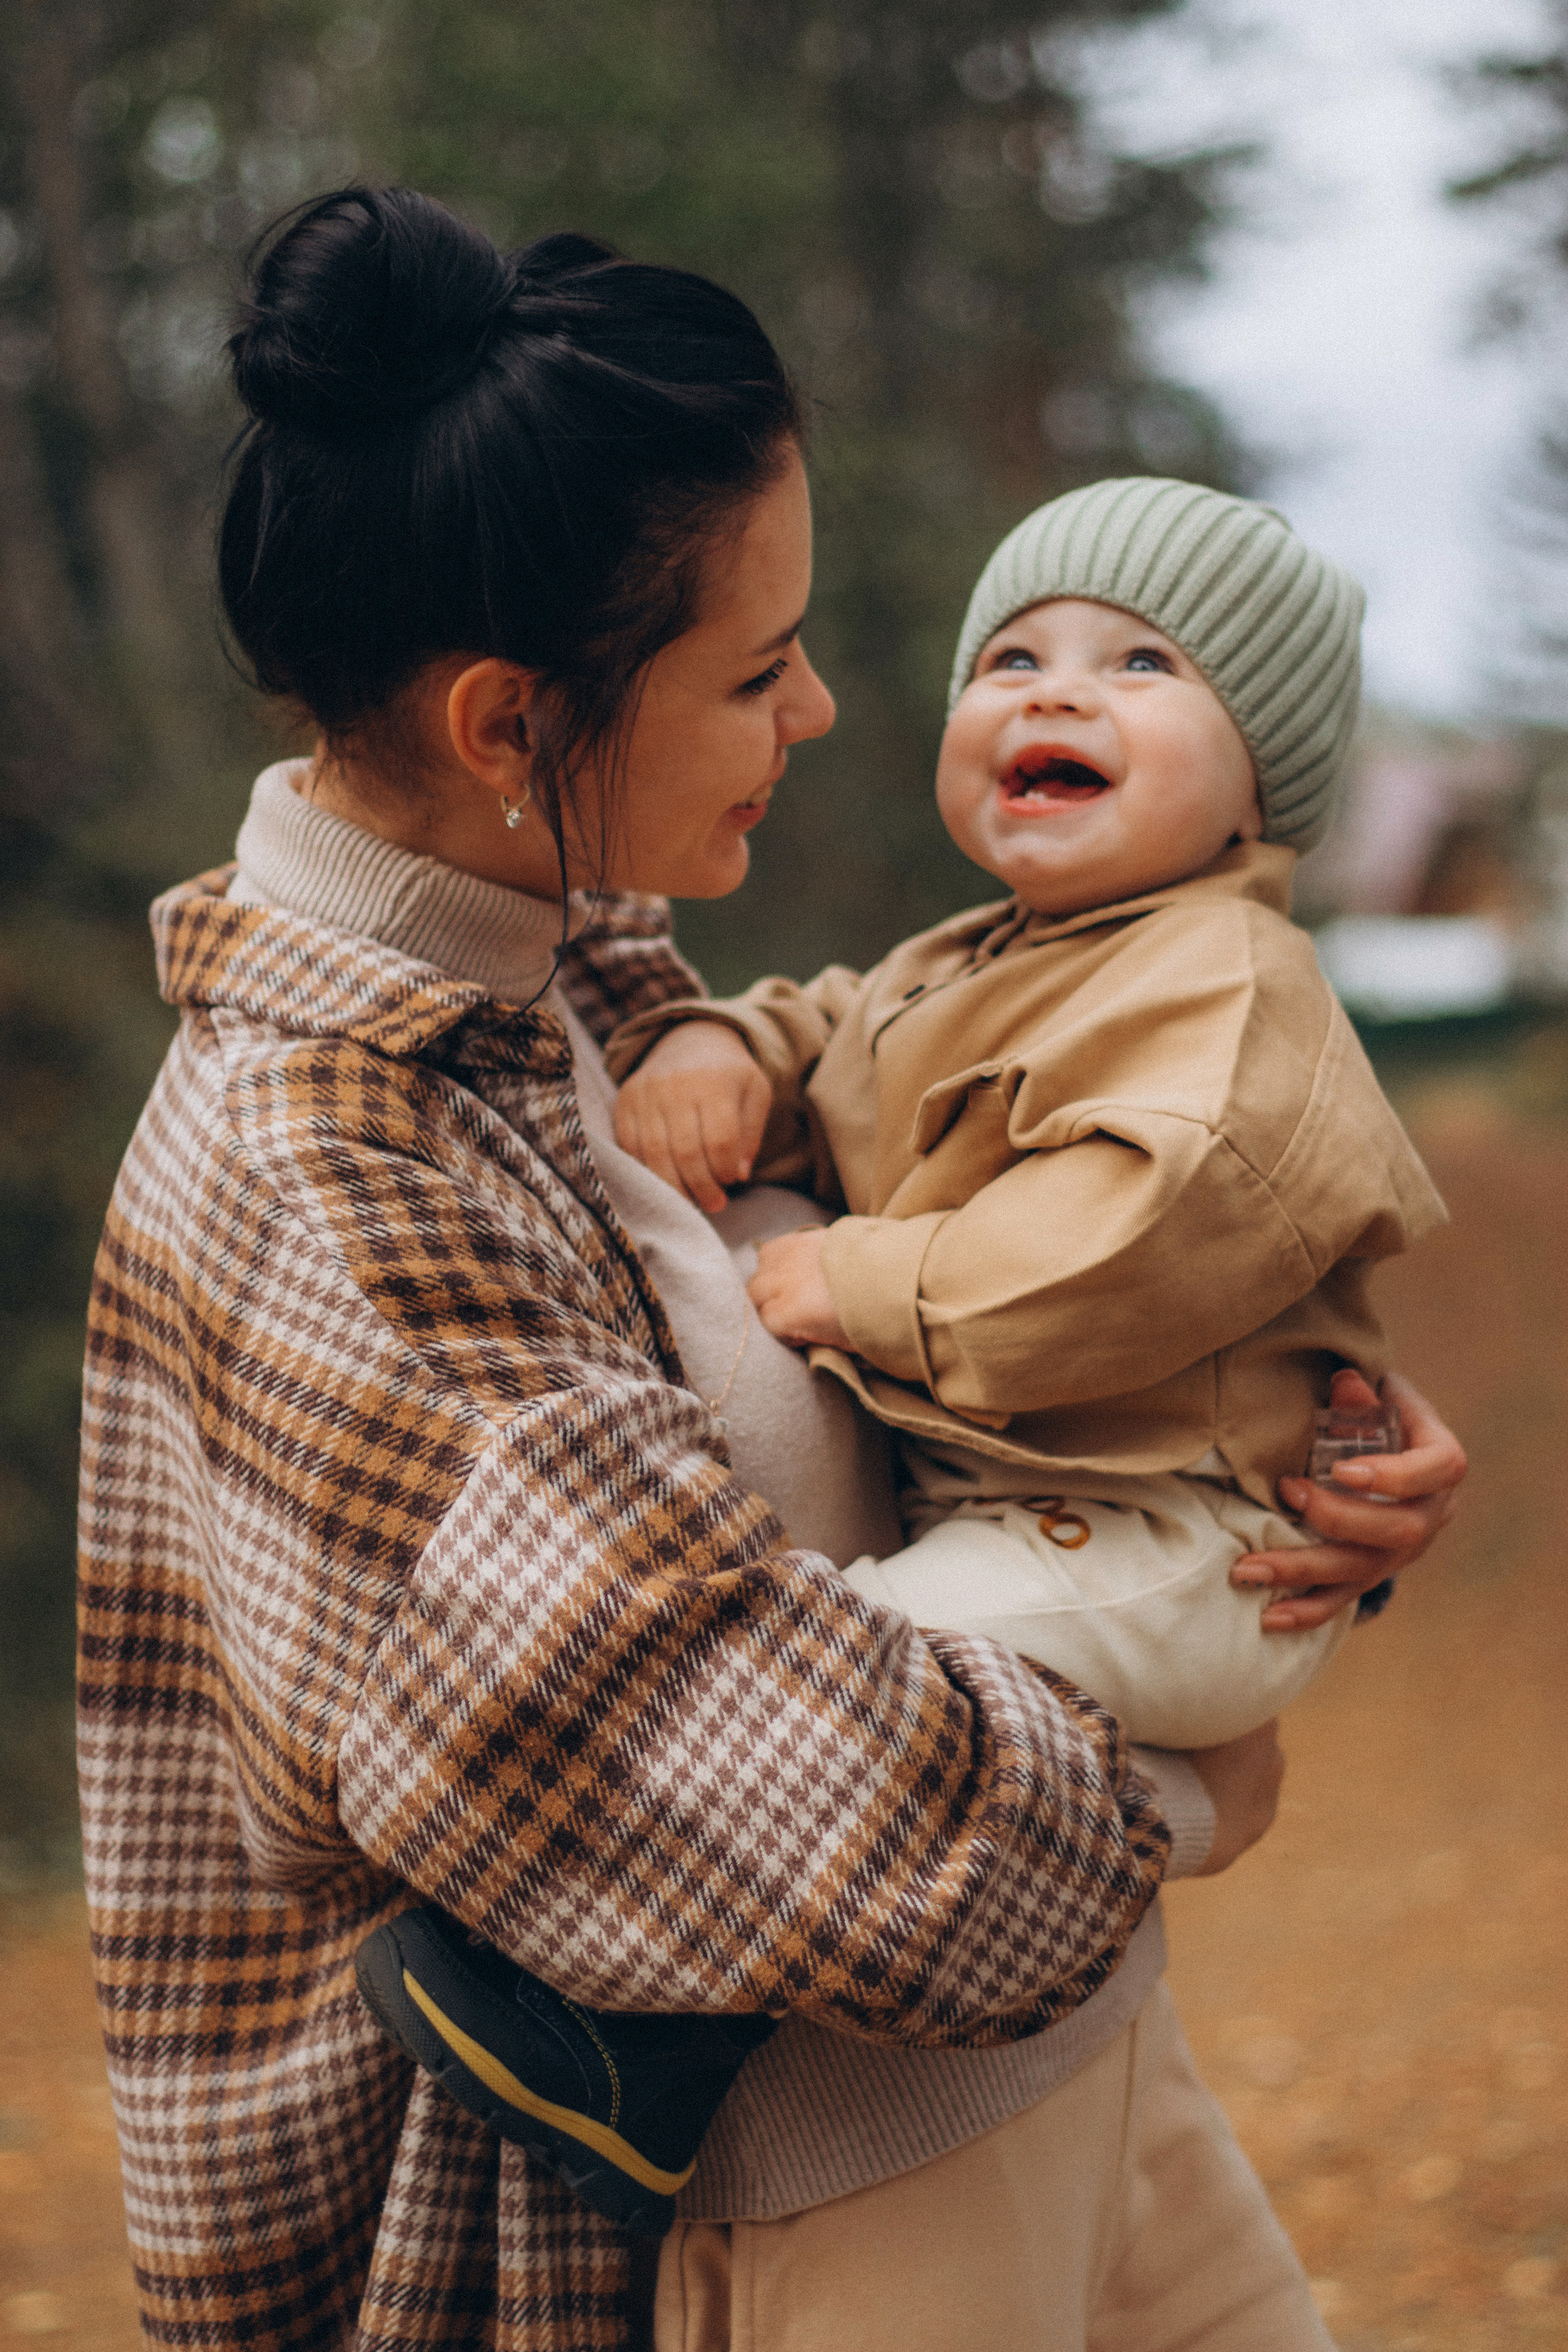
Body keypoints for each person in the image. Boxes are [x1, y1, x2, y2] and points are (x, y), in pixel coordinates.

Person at [75, 187, 1464, 2352]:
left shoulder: (577, 971)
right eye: (756, 664)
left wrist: (1275, 1436)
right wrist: (1207, 1766)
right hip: (801, 2202)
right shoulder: (326, 1179)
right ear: (508, 725)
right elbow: (761, 1796)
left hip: (1070, 2074)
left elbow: (1016, 1274)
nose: (822, 711)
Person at [607, 477, 1445, 1751]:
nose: (1050, 691)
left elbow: (1133, 1234)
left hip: (1173, 1534)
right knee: (830, 1669)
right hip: (1025, 1510)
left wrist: (867, 1282)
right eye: (1009, 657)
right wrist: (716, 1040)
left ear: (1258, 786)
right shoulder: (965, 958)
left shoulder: (1229, 980)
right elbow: (841, 1036)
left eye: (1141, 662)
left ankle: (572, 1931)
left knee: (812, 1672)